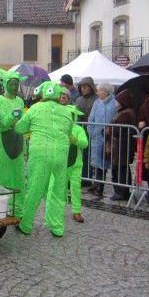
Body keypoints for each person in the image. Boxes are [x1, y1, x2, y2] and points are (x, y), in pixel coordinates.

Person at [14, 82, 74, 237]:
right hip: (61, 155)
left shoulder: (35, 108)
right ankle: (57, 228)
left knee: (35, 188)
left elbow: (20, 128)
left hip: (40, 154)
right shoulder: (67, 112)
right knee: (57, 191)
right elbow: (68, 131)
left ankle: (26, 224)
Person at [0, 71, 27, 215]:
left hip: (18, 142)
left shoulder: (20, 101)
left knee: (19, 177)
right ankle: (3, 208)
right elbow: (0, 125)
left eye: (17, 84)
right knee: (4, 177)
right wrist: (11, 117)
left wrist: (25, 148)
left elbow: (21, 125)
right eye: (12, 84)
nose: (15, 87)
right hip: (3, 143)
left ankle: (18, 209)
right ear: (5, 85)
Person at [58, 91, 88, 223]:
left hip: (76, 164)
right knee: (61, 187)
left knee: (75, 188)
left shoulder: (79, 129)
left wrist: (75, 139)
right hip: (62, 163)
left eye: (71, 115)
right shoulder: (59, 128)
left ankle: (76, 211)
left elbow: (85, 144)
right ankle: (60, 209)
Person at [105, 89, 136, 202]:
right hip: (119, 145)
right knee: (119, 168)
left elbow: (117, 130)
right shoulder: (123, 111)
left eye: (117, 100)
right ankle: (120, 191)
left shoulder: (126, 114)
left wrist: (107, 130)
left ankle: (121, 192)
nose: (115, 103)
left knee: (120, 169)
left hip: (121, 146)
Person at [87, 83, 116, 196]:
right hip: (96, 136)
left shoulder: (114, 103)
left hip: (108, 137)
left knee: (104, 161)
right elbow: (91, 118)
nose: (97, 92)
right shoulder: (97, 102)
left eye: (99, 91)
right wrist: (92, 131)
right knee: (95, 161)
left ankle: (101, 186)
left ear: (106, 92)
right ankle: (96, 183)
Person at [75, 77, 97, 185]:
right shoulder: (79, 100)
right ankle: (83, 177)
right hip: (81, 131)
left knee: (91, 156)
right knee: (82, 156)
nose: (83, 89)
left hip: (92, 131)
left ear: (90, 88)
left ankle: (89, 178)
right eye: (81, 87)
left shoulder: (96, 100)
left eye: (85, 87)